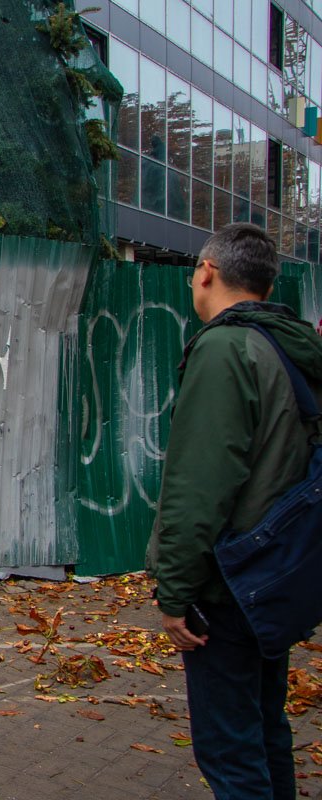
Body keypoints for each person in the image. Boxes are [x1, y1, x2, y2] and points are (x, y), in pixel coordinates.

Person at [146, 222, 322, 800]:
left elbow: (199, 485)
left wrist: (174, 591)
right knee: (266, 731)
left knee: (229, 750)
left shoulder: (226, 349)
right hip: (278, 573)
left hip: (229, 585)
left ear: (207, 272)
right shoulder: (287, 344)